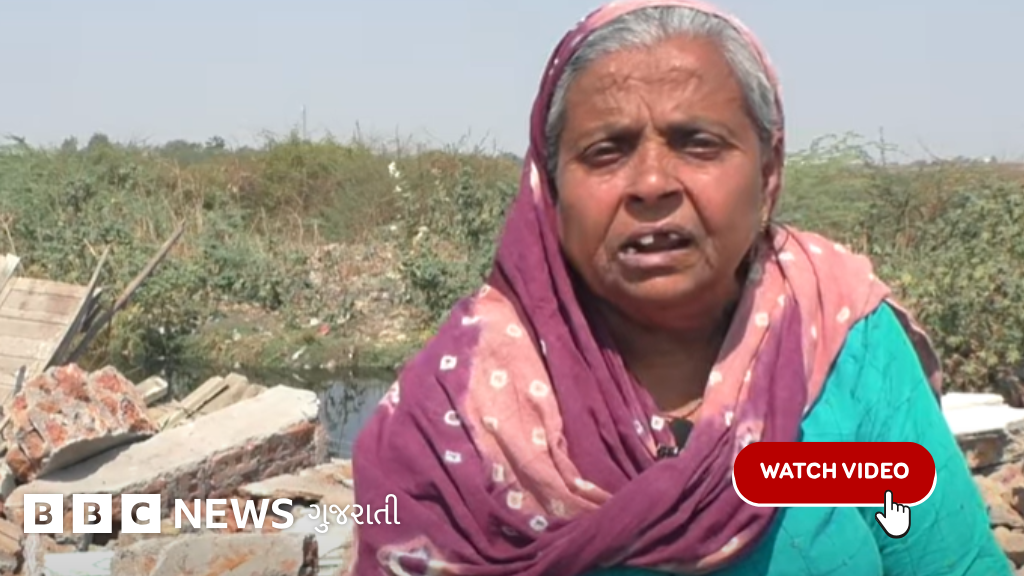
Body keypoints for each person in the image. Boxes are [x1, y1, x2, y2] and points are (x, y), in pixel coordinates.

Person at [347, 1, 1009, 574]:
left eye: (697, 143)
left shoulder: (840, 336)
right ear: (550, 190)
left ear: (768, 172)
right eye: (606, 151)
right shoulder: (458, 401)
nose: (652, 184)